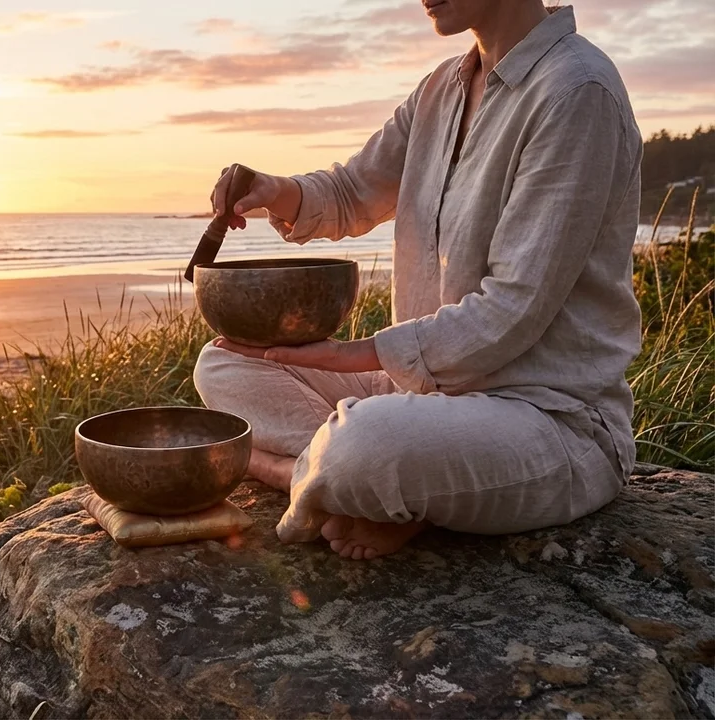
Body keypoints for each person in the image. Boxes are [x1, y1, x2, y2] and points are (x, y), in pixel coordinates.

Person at [194, 0, 642, 560]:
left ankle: (290, 470)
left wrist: (347, 354)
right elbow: (354, 191)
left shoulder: (577, 92)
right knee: (224, 362)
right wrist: (273, 188)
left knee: (367, 442)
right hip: (425, 395)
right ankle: (352, 486)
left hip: (546, 419)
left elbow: (511, 309)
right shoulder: (441, 89)